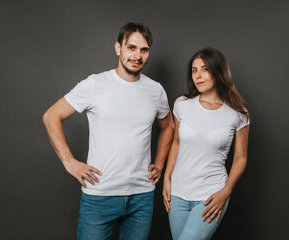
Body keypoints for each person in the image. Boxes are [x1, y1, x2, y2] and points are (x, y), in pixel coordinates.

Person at [42, 22, 174, 240]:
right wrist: (69, 162)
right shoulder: (95, 84)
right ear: (118, 48)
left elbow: (168, 126)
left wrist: (159, 164)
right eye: (131, 47)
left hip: (141, 196)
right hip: (100, 196)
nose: (137, 55)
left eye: (144, 50)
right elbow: (51, 116)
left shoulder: (155, 90)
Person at [162, 47, 250, 240]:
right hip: (177, 194)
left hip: (210, 195)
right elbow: (176, 143)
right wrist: (167, 178)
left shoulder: (237, 113)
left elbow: (241, 157)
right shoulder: (182, 105)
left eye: (204, 69)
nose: (198, 76)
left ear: (218, 72)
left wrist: (225, 192)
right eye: (194, 70)